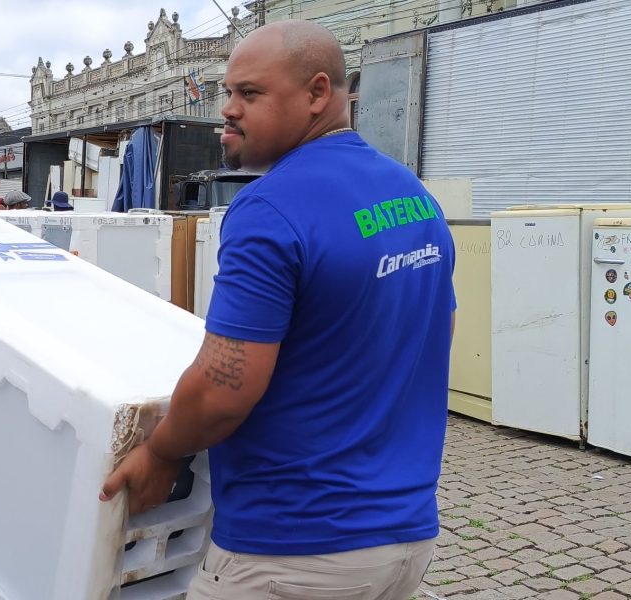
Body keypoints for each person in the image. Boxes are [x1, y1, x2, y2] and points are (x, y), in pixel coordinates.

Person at [99, 21, 456, 600]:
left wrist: (162, 452)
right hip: (404, 539)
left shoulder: (271, 209)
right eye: (228, 93)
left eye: (250, 94)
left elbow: (222, 390)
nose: (228, 110)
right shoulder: (414, 198)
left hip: (294, 550)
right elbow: (434, 335)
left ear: (318, 93)